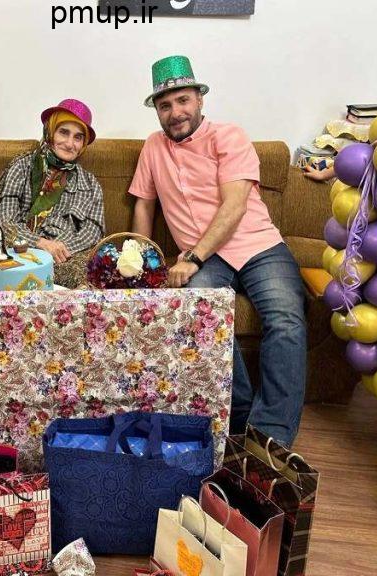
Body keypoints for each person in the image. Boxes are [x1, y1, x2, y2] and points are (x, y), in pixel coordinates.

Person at [127, 56, 307, 447]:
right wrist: (142, 264)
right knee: (201, 309)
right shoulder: (153, 147)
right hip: (206, 260)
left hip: (257, 245)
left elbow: (235, 205)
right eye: (165, 105)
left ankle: (269, 438)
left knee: (286, 320)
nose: (175, 112)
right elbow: (144, 205)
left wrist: (192, 258)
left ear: (200, 100)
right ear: (157, 111)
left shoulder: (229, 136)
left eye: (183, 100)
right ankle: (237, 415)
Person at [0, 99, 105, 288]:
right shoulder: (22, 167)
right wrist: (40, 243)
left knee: (92, 275)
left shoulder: (90, 184)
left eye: (78, 137)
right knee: (6, 273)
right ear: (50, 132)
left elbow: (93, 232)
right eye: (63, 132)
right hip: (18, 248)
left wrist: (59, 249)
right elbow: (5, 221)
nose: (69, 143)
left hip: (65, 257)